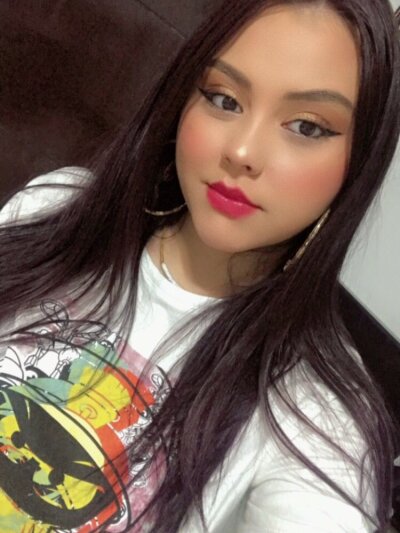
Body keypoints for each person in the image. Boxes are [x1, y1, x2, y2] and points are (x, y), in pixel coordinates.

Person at [0, 0, 399, 531]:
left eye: (307, 126)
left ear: (358, 162)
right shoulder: (55, 208)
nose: (242, 151)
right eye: (223, 99)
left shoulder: (317, 420)